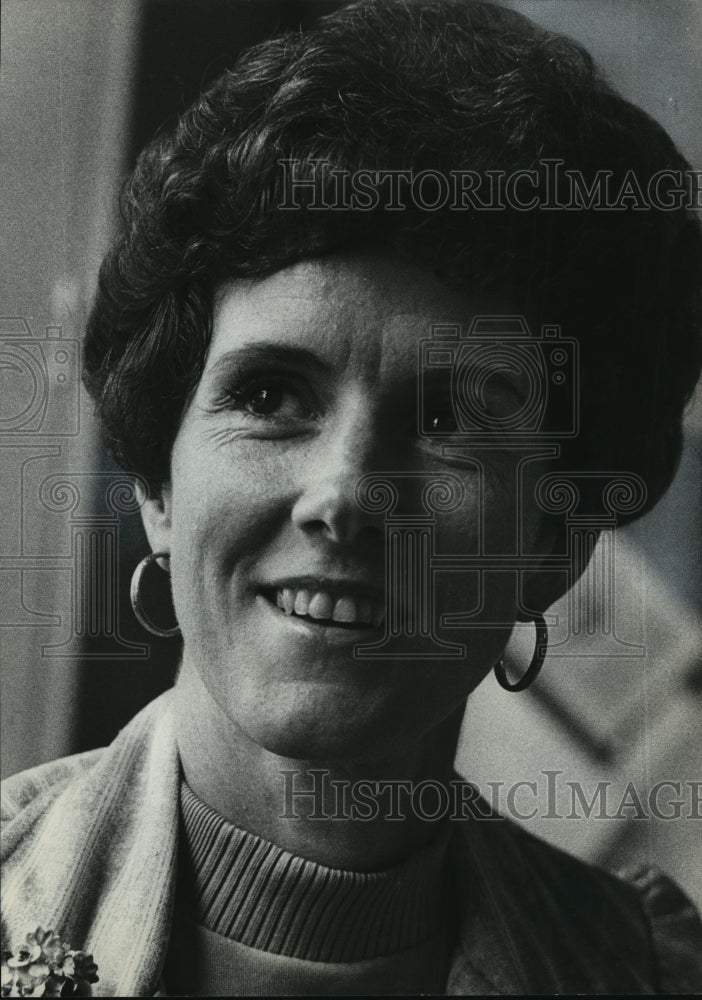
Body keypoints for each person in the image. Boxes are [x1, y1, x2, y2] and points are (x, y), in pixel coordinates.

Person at [2, 0, 701, 995]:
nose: (345, 494)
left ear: (558, 537)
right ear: (161, 482)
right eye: (271, 395)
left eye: (450, 417)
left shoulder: (645, 975)